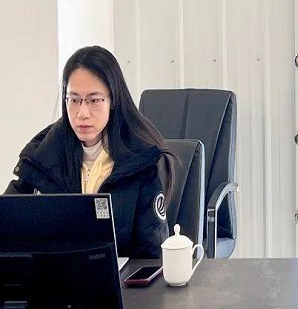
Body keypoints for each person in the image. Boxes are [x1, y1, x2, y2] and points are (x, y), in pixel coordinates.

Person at [5, 46, 174, 259]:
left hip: (121, 278)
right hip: (53, 276)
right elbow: (7, 225)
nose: (82, 113)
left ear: (113, 100)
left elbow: (151, 255)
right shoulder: (43, 155)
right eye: (74, 100)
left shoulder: (141, 161)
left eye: (94, 100)